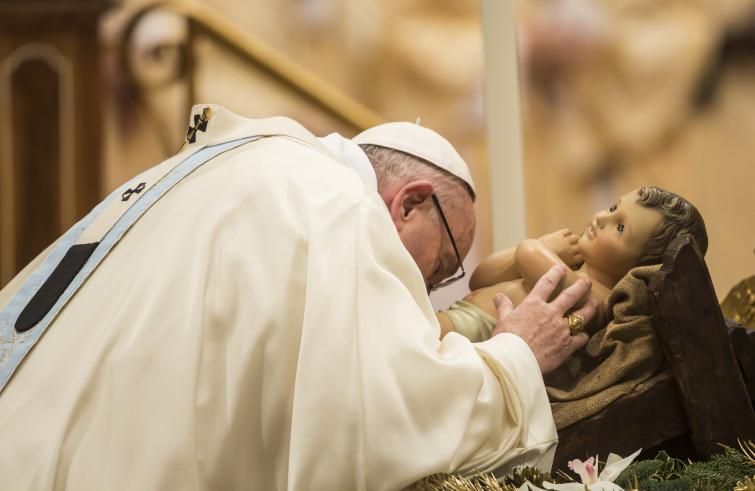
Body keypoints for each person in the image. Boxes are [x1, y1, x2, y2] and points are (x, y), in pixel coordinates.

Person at [0, 105, 596, 490]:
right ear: (410, 201)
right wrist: (517, 353)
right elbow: (375, 423)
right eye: (439, 264)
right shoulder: (337, 208)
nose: (428, 291)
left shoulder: (240, 166)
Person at [438, 186, 708, 342]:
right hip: (460, 316)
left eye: (621, 227)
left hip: (472, 334)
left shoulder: (593, 297)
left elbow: (527, 253)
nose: (602, 218)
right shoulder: (572, 270)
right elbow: (480, 278)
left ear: (640, 267)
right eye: (613, 208)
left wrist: (544, 246)